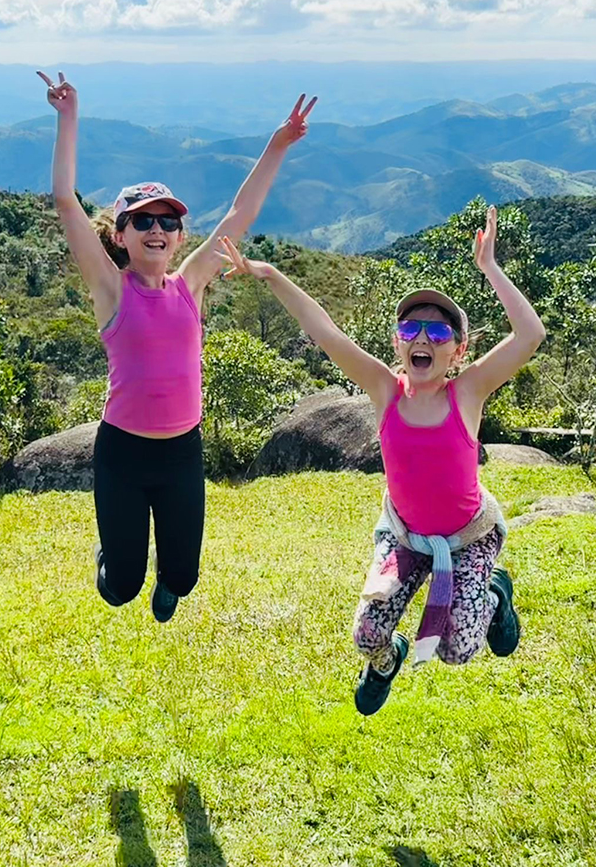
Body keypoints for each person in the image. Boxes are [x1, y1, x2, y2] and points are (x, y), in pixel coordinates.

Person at [217, 206, 545, 714]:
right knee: (367, 634)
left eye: (438, 335)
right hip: (407, 537)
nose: (422, 340)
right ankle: (386, 662)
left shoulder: (468, 392)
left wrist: (490, 268)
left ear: (457, 351)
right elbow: (325, 332)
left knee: (459, 650)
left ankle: (496, 592)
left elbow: (529, 336)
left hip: (468, 538)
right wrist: (270, 273)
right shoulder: (383, 390)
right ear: (396, 341)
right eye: (412, 329)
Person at [38, 69, 316, 623]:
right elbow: (67, 202)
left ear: (181, 236)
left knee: (183, 577)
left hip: (182, 450)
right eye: (142, 221)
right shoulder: (111, 288)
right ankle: (112, 562)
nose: (157, 229)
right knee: (120, 587)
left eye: (168, 221)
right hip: (122, 451)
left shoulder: (190, 284)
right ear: (120, 235)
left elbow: (241, 214)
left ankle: (169, 578)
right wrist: (68, 118)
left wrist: (276, 145)